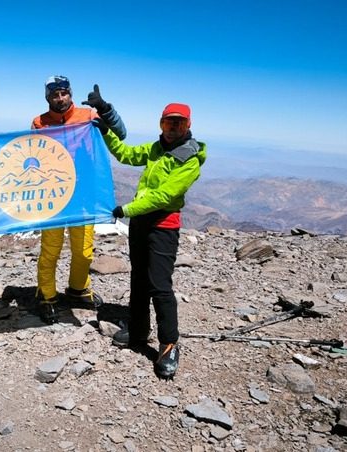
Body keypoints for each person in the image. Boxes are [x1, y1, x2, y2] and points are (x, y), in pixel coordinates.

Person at [94, 102, 206, 379]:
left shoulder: (189, 159)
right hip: (141, 224)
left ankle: (169, 343)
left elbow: (165, 197)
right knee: (139, 279)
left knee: (159, 285)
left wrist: (126, 210)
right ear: (161, 124)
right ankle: (139, 329)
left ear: (188, 126)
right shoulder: (156, 148)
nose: (172, 128)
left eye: (178, 123)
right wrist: (107, 130)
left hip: (163, 225)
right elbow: (126, 154)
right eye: (168, 123)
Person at [31, 75, 127, 324]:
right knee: (51, 250)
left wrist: (105, 108)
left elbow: (120, 133)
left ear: (70, 94)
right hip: (53, 195)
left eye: (63, 93)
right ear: (48, 97)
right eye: (54, 94)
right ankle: (47, 296)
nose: (60, 98)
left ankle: (77, 289)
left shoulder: (87, 115)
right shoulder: (39, 123)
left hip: (83, 194)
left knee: (83, 250)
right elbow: (30, 154)